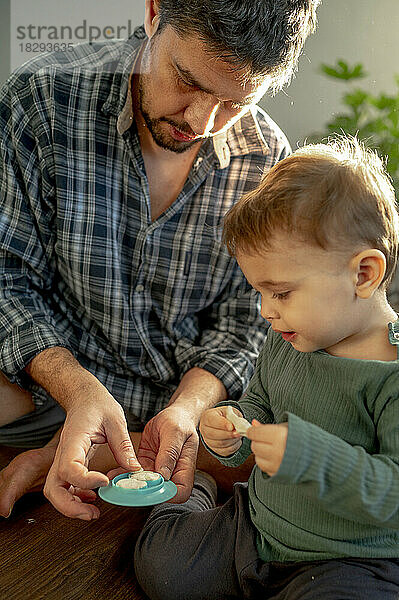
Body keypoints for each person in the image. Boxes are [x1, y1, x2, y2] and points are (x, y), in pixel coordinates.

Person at [0, 0, 320, 521]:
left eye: (234, 102)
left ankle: (90, 454)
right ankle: (68, 444)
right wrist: (76, 389)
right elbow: (6, 277)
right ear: (154, 12)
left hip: (180, 406)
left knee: (298, 447)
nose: (201, 121)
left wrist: (188, 410)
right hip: (52, 382)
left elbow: (243, 328)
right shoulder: (43, 98)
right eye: (187, 80)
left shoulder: (264, 160)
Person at [134, 138, 399, 600]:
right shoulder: (289, 339)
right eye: (259, 292)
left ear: (364, 274)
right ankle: (191, 496)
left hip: (350, 559)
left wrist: (311, 458)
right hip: (256, 526)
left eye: (281, 293)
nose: (265, 311)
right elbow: (259, 405)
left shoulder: (391, 375)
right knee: (162, 566)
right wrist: (229, 428)